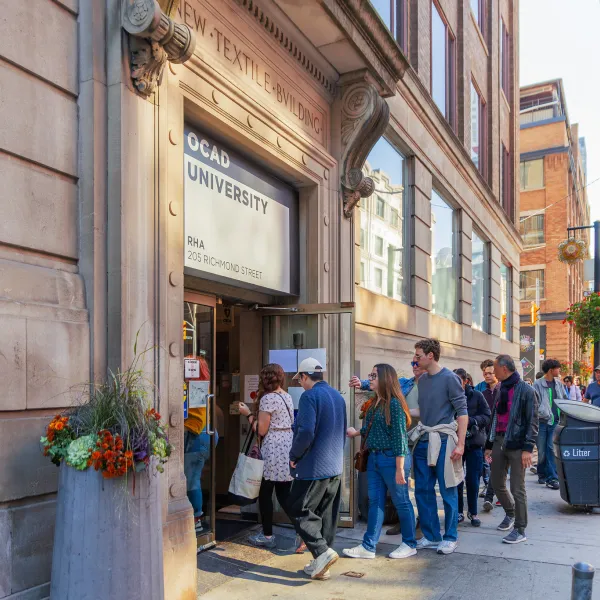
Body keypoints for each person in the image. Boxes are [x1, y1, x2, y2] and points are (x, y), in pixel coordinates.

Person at [344, 364, 416, 560]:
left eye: (374, 375)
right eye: (370, 375)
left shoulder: (394, 404)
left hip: (393, 459)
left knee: (401, 501)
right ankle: (368, 546)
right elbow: (372, 429)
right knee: (375, 501)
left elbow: (400, 437)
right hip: (375, 458)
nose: (370, 378)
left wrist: (400, 468)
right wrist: (355, 433)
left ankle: (409, 543)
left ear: (385, 378)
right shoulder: (376, 402)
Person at [287, 358, 347, 581]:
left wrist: (294, 456)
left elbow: (305, 433)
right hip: (334, 465)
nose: (300, 383)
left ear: (304, 376)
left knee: (298, 508)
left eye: (300, 379)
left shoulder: (309, 396)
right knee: (326, 514)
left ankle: (322, 552)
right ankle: (322, 562)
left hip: (313, 466)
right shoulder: (337, 396)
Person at [409, 339, 468, 555]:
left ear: (430, 355)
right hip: (424, 438)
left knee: (448, 490)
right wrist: (402, 409)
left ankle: (450, 537)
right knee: (423, 490)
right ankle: (432, 535)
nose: (415, 359)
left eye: (418, 355)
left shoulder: (450, 378)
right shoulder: (422, 380)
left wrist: (460, 444)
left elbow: (462, 412)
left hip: (444, 441)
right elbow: (423, 411)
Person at [238, 364, 295, 549]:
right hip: (286, 447)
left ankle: (268, 535)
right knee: (285, 493)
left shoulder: (268, 398)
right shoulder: (286, 396)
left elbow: (261, 430)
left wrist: (247, 414)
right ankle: (305, 530)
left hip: (273, 449)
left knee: (265, 493)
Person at [485, 355, 538, 544]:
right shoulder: (501, 389)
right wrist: (489, 445)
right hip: (499, 441)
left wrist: (527, 449)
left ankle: (520, 529)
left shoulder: (526, 390)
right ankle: (510, 513)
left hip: (518, 446)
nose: (493, 372)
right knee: (496, 482)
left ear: (504, 369)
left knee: (518, 488)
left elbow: (532, 421)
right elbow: (494, 419)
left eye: (495, 369)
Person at [184, 349, 217, 533]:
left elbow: (192, 419)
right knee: (194, 478)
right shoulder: (204, 387)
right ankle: (197, 515)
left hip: (195, 436)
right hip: (206, 435)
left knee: (192, 480)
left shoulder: (193, 388)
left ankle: (196, 517)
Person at [453, 369, 490, 527]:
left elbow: (487, 416)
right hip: (455, 443)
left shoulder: (477, 395)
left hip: (474, 443)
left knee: (473, 479)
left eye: (458, 381)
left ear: (466, 381)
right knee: (457, 479)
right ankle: (459, 511)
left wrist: (471, 421)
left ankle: (473, 512)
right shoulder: (450, 396)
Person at [533, 359, 568, 490]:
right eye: (558, 368)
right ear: (551, 370)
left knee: (550, 448)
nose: (559, 371)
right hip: (542, 422)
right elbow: (534, 403)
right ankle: (541, 473)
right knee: (541, 451)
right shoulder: (538, 384)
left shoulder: (559, 384)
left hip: (555, 422)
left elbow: (564, 399)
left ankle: (552, 477)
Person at [475, 359, 499, 511]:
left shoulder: (503, 390)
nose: (487, 376)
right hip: (486, 434)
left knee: (497, 466)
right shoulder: (481, 391)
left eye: (490, 373)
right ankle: (490, 493)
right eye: (485, 373)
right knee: (488, 464)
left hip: (501, 434)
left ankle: (493, 493)